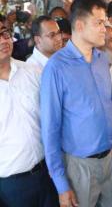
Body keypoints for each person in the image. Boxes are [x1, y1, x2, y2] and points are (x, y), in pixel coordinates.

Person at [41, 0, 112, 207]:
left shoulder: (102, 59)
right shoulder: (56, 68)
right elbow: (50, 129)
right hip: (80, 166)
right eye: (99, 22)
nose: (105, 28)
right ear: (79, 25)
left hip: (110, 159)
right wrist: (61, 184)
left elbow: (110, 106)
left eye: (105, 22)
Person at [0, 26, 59, 207]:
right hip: (12, 185)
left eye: (4, 34)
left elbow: (52, 117)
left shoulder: (32, 72)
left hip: (46, 173)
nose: (3, 40)